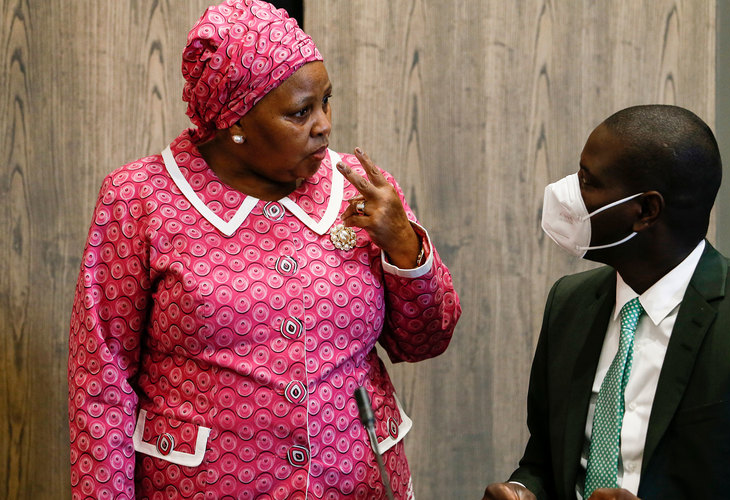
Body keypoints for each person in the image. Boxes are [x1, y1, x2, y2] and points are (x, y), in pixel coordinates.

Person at [67, 2, 461, 498]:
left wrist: (403, 244)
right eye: (300, 112)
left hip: (358, 484)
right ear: (236, 123)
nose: (324, 125)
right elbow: (100, 383)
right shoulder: (139, 199)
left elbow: (427, 341)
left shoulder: (361, 193)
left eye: (326, 101)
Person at [483, 104, 730, 500]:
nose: (568, 195)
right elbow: (543, 460)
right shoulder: (569, 302)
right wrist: (522, 490)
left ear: (646, 211)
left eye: (587, 182)